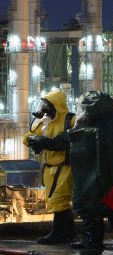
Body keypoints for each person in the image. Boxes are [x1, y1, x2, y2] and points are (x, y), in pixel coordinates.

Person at [68, 91, 113, 250]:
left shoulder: (94, 126)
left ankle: (93, 240)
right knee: (105, 205)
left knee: (90, 206)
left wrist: (76, 128)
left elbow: (77, 147)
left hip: (97, 174)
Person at [23, 89, 76, 244]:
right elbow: (27, 137)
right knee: (58, 201)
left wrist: (43, 141)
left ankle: (57, 235)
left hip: (64, 167)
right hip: (49, 167)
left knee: (59, 200)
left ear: (56, 105)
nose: (44, 107)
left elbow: (67, 141)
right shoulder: (46, 121)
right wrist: (34, 137)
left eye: (47, 104)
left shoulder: (69, 120)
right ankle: (69, 232)